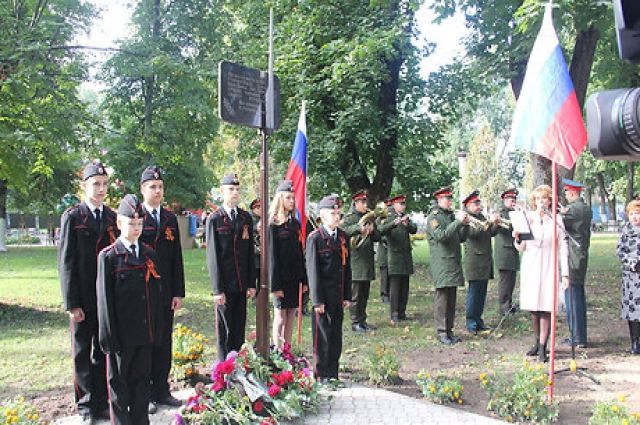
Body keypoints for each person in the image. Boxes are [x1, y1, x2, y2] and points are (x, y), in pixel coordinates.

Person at [58, 161, 117, 422]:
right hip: (82, 298)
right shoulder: (73, 217)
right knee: (82, 352)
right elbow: (66, 263)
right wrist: (72, 303)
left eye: (104, 184)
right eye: (96, 184)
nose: (101, 189)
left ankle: (102, 401)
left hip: (105, 299)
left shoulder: (112, 218)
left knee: (104, 351)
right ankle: (85, 406)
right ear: (84, 186)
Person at [97, 194, 162, 425]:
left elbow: (154, 297)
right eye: (131, 223)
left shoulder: (149, 255)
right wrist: (109, 339)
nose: (136, 228)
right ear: (119, 224)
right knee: (119, 387)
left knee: (142, 383)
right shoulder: (109, 257)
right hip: (121, 337)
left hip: (144, 334)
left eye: (140, 224)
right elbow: (104, 303)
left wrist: (156, 330)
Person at [138, 166, 185, 413]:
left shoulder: (169, 218)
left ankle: (162, 389)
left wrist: (178, 292)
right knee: (146, 342)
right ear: (143, 189)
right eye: (152, 187)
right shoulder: (135, 217)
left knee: (164, 342)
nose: (157, 191)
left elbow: (176, 257)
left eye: (160, 187)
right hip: (142, 292)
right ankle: (144, 394)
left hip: (165, 292)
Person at [514, 184, 569, 362]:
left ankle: (544, 347)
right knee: (534, 308)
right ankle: (537, 342)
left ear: (550, 201)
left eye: (544, 198)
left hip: (549, 265)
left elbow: (563, 247)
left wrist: (565, 274)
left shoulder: (557, 220)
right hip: (532, 264)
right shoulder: (528, 218)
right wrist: (517, 237)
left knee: (547, 306)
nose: (541, 202)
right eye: (537, 199)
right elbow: (521, 247)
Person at [206, 173, 256, 361]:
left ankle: (236, 369)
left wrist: (251, 283)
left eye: (237, 189)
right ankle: (223, 371)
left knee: (238, 329)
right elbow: (213, 257)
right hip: (225, 285)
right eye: (230, 189)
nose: (234, 193)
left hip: (241, 283)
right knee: (224, 331)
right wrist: (217, 289)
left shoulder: (245, 218)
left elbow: (249, 253)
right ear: (222, 192)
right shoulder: (215, 219)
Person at [306, 195, 352, 383]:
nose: (337, 217)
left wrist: (347, 295)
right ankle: (321, 373)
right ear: (323, 216)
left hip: (338, 295)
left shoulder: (342, 237)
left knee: (336, 336)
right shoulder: (315, 238)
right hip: (323, 297)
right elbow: (313, 271)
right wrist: (317, 300)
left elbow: (347, 268)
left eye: (338, 213)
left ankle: (333, 373)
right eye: (333, 213)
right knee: (322, 337)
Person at [425, 186, 469, 345]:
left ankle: (449, 330)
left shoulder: (450, 217)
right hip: (442, 263)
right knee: (442, 298)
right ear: (439, 200)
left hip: (452, 261)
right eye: (447, 199)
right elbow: (441, 236)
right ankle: (442, 331)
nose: (450, 201)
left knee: (451, 298)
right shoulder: (434, 217)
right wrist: (458, 222)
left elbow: (461, 238)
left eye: (451, 199)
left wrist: (465, 224)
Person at [268, 180, 308, 347]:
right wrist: (275, 285)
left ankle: (287, 351)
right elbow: (271, 257)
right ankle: (277, 350)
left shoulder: (295, 224)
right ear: (280, 199)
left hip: (294, 277)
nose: (292, 201)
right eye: (288, 198)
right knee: (280, 317)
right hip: (280, 278)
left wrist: (304, 280)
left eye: (293, 198)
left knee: (291, 315)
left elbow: (300, 254)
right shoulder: (273, 224)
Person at [342, 190, 381, 332]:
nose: (365, 205)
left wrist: (372, 230)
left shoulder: (368, 217)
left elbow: (378, 237)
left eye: (366, 202)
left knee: (365, 293)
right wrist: (359, 228)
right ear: (355, 203)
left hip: (367, 259)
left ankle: (362, 320)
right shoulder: (350, 218)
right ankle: (355, 322)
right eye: (362, 202)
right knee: (356, 294)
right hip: (356, 260)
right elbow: (343, 231)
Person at [560, 178, 592, 348]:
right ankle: (578, 335)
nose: (565, 195)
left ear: (572, 192)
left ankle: (577, 336)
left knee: (572, 296)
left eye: (566, 192)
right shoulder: (584, 207)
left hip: (572, 256)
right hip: (579, 255)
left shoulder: (574, 209)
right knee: (576, 294)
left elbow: (558, 223)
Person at [462, 191, 498, 334]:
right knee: (474, 292)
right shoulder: (467, 219)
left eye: (479, 203)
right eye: (475, 204)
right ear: (468, 205)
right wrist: (489, 222)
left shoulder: (481, 217)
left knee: (482, 292)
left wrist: (495, 224)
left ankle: (478, 319)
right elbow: (474, 233)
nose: (479, 206)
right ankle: (471, 321)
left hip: (485, 260)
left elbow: (490, 233)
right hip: (474, 261)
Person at [379, 194, 417, 325]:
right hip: (394, 256)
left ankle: (402, 311)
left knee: (405, 286)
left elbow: (414, 229)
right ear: (394, 205)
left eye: (404, 204)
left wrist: (407, 224)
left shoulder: (405, 216)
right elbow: (380, 230)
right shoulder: (388, 217)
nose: (403, 206)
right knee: (395, 286)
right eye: (401, 204)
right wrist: (394, 223)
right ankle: (394, 313)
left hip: (405, 255)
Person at [616, 200, 640, 355]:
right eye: (632, 214)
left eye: (637, 214)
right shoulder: (625, 230)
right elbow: (619, 251)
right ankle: (635, 341)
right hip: (631, 276)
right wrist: (632, 263)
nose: (634, 217)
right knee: (632, 311)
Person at [495, 188, 521, 315]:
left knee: (512, 279)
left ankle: (509, 304)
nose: (513, 202)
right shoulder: (502, 213)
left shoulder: (514, 212)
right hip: (504, 251)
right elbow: (509, 227)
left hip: (513, 250)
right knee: (505, 281)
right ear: (504, 200)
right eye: (511, 200)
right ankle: (504, 306)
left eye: (514, 199)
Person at [377, 200, 391, 304]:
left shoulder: (391, 218)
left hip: (392, 251)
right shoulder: (379, 219)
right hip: (384, 250)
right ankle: (384, 294)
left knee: (390, 273)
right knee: (384, 274)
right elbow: (378, 232)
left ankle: (390, 293)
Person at [250, 198, 262, 290]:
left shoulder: (265, 219)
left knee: (263, 280)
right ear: (254, 208)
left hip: (263, 257)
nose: (261, 209)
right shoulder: (248, 219)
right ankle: (255, 299)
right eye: (258, 207)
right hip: (253, 256)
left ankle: (261, 298)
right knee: (253, 279)